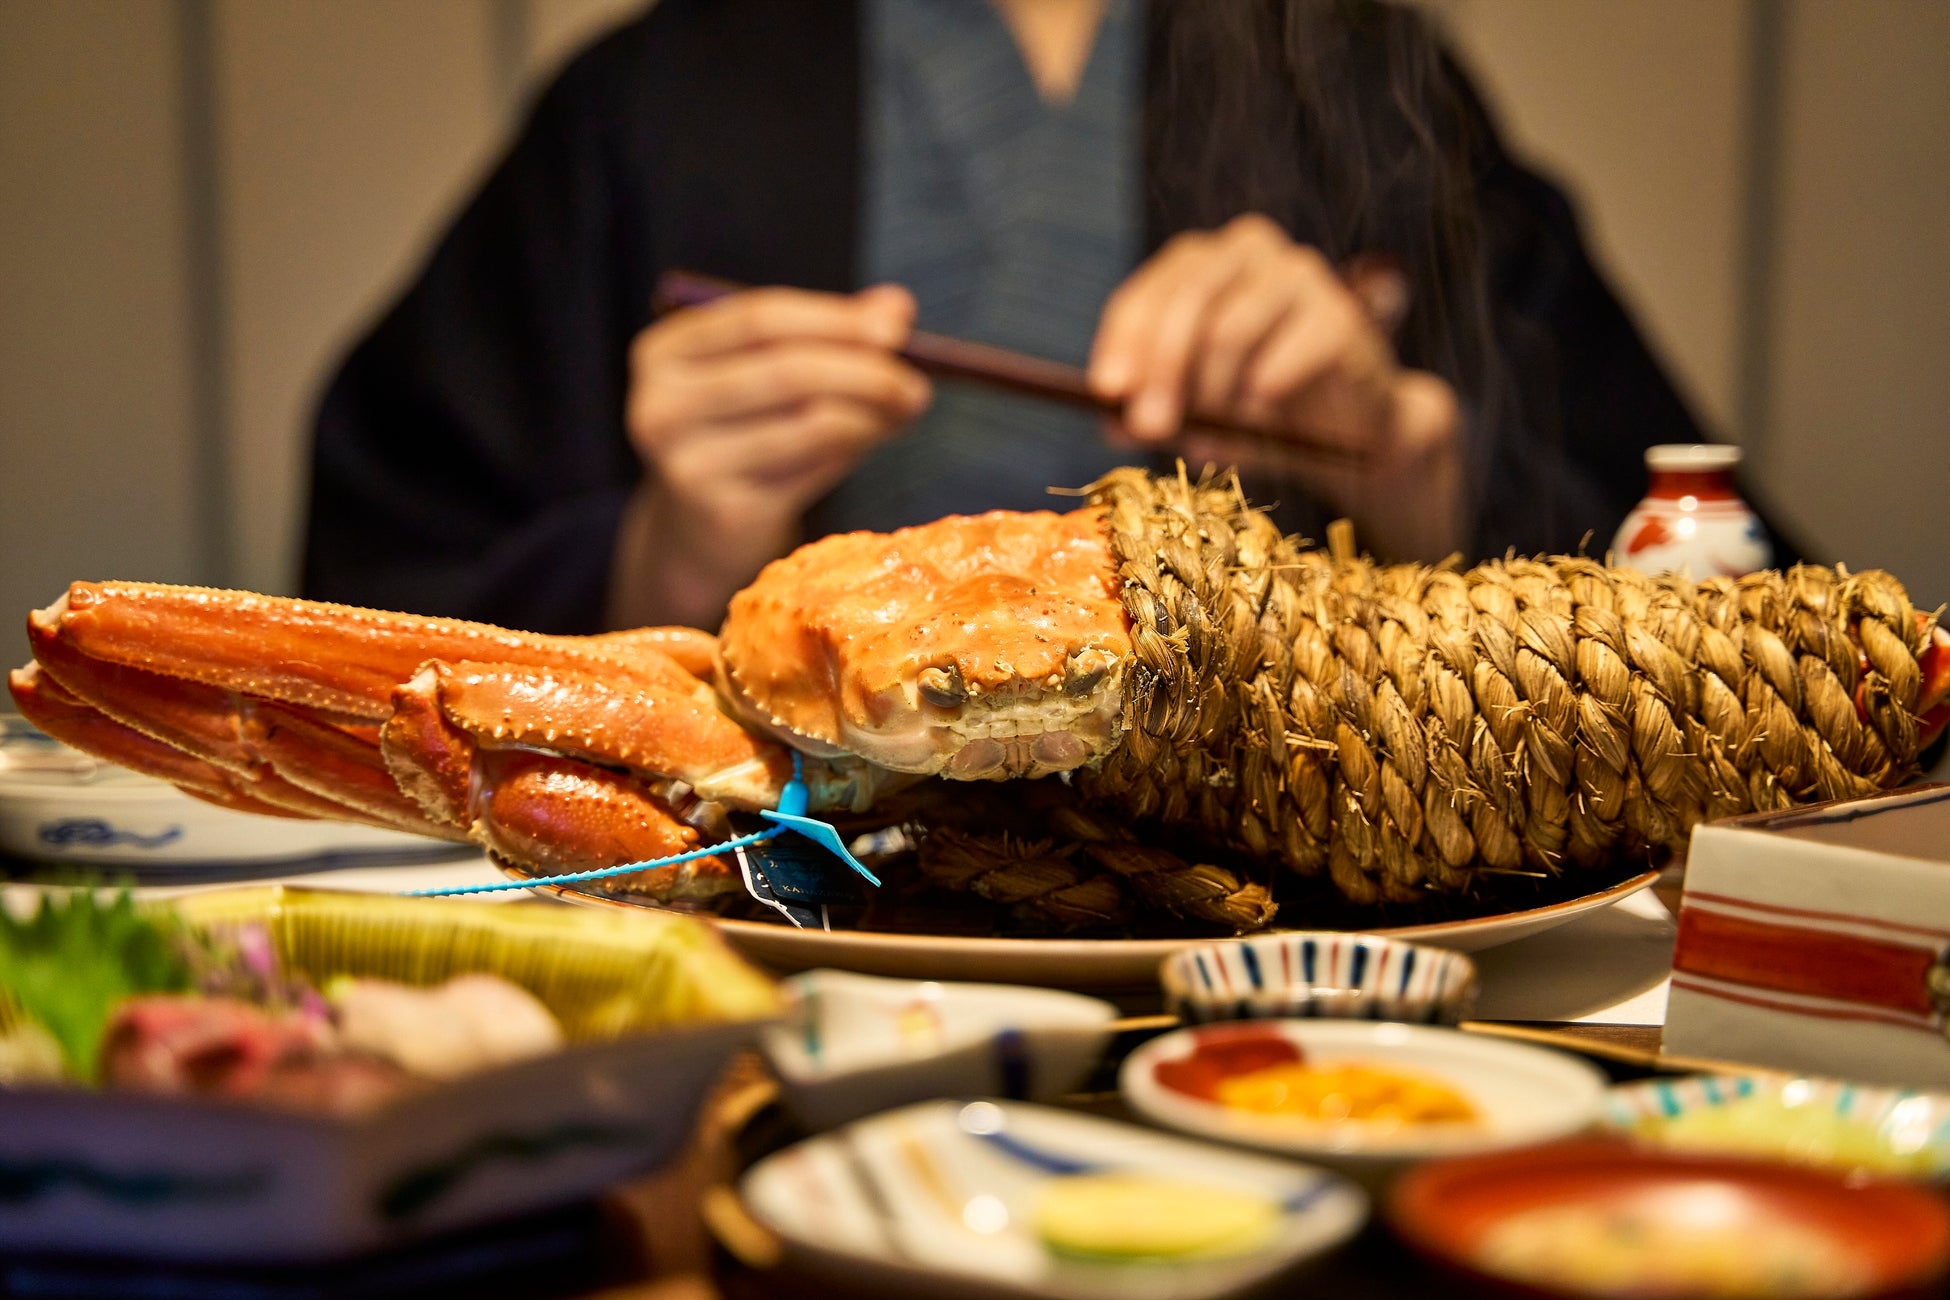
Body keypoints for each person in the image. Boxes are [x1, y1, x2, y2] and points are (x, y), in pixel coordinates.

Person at [302, 0, 1761, 636]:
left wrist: (1413, 466)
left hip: (1300, 945)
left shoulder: (1359, 79)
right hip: (774, 918)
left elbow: (1737, 597)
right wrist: (657, 557)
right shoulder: (655, 98)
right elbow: (369, 580)